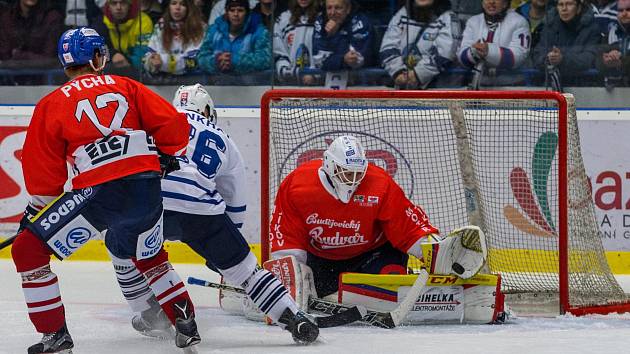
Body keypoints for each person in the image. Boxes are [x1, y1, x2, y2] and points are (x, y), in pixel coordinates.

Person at [10, 27, 200, 353]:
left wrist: (37, 208)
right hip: (146, 188)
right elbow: (175, 128)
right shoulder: (128, 85)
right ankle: (186, 325)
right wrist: (166, 154)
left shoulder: (52, 103)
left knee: (27, 250)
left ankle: (55, 336)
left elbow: (45, 172)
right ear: (98, 57)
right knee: (149, 256)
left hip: (101, 193)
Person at [109, 84, 320, 344]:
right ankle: (295, 318)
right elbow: (235, 200)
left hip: (151, 201)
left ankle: (150, 312)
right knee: (248, 273)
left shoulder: (154, 121)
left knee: (118, 245)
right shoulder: (223, 138)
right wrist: (226, 249)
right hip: (201, 211)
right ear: (208, 109)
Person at [268, 135, 487, 298]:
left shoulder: (380, 183)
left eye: (357, 172)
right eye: (346, 172)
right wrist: (290, 275)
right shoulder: (298, 185)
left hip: (373, 254)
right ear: (329, 164)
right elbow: (288, 236)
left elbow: (407, 228)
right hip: (323, 259)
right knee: (311, 291)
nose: (353, 179)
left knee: (391, 279)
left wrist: (437, 254)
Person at [379, 0, 461, 89]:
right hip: (400, 82)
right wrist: (398, 72)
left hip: (435, 87)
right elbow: (388, 47)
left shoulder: (448, 17)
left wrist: (416, 75)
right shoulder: (402, 13)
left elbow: (444, 54)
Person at [457, 0, 531, 88]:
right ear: (482, 3)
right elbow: (461, 56)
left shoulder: (519, 22)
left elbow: (519, 56)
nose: (491, 1)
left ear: (505, 3)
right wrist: (474, 52)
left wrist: (488, 51)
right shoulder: (473, 22)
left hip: (512, 86)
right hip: (479, 84)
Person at [533, 0, 601, 88]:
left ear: (579, 8)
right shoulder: (550, 26)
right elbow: (537, 55)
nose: (564, 9)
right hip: (551, 85)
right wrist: (548, 59)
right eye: (560, 4)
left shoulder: (591, 28)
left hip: (584, 86)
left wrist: (563, 59)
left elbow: (590, 58)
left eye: (569, 4)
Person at [197, 0, 271, 75]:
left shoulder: (258, 31)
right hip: (216, 84)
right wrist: (217, 61)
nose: (236, 14)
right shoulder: (214, 30)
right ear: (226, 12)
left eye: (240, 10)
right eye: (232, 10)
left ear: (247, 12)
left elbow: (265, 59)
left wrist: (234, 60)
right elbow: (201, 57)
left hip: (250, 84)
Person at [143, 0, 206, 75]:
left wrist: (163, 62)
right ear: (168, 7)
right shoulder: (160, 26)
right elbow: (149, 53)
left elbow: (194, 61)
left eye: (182, 4)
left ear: (189, 8)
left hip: (190, 80)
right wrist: (151, 62)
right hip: (163, 81)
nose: (177, 7)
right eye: (173, 3)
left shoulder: (199, 27)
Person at [312, 0, 375, 73]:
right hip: (326, 77)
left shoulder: (361, 21)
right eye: (329, 8)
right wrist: (330, 36)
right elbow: (318, 60)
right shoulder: (320, 21)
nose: (332, 13)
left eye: (338, 8)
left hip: (360, 78)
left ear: (348, 9)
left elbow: (357, 59)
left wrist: (340, 60)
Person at [92, 0, 154, 68]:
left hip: (135, 67)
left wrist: (127, 61)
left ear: (130, 5)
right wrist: (113, 55)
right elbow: (97, 46)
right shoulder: (101, 21)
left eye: (123, 3)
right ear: (108, 6)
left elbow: (143, 54)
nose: (118, 7)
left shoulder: (143, 22)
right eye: (114, 3)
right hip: (112, 64)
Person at [274, 0, 321, 85]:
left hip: (318, 85)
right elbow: (279, 53)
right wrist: (292, 73)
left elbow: (325, 53)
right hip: (290, 85)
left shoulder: (323, 18)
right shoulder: (283, 19)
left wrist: (314, 74)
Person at [0, 0, 64, 61]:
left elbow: (50, 58)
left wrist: (18, 55)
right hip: (10, 70)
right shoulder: (7, 17)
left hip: (43, 71)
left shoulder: (52, 17)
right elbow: (4, 56)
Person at [597, 0, 630, 88]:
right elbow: (597, 61)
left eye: (628, 10)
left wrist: (621, 61)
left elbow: (622, 62)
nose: (624, 13)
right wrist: (605, 61)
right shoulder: (609, 34)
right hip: (613, 91)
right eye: (620, 10)